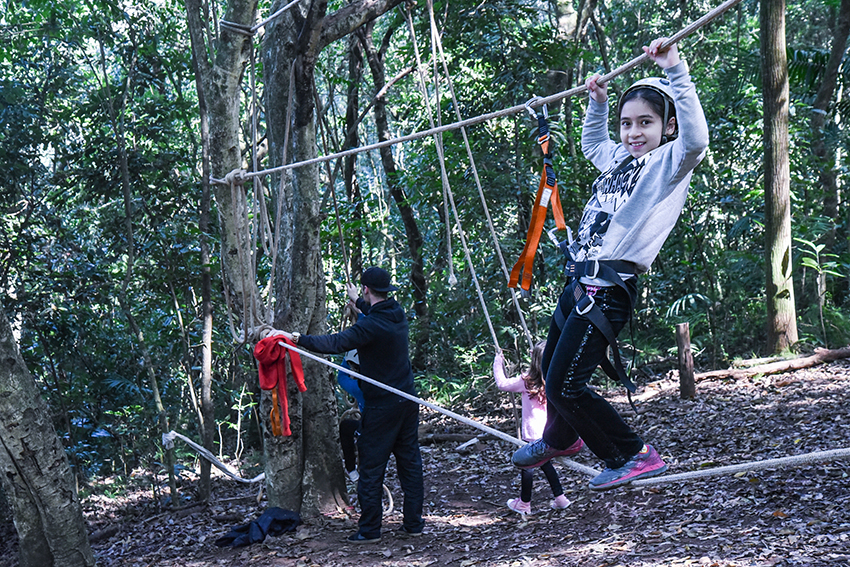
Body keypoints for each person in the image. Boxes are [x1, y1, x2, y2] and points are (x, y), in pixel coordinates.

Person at [512, 38, 709, 491]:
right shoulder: (621, 158)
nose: (634, 133)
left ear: (668, 125)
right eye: (627, 124)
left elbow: (696, 140)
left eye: (646, 123)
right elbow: (591, 145)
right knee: (552, 376)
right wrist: (597, 105)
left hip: (608, 287)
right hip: (580, 281)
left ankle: (634, 453)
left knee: (567, 386)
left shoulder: (669, 163)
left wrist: (675, 69)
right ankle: (560, 439)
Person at [281, 267, 424, 543]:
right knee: (410, 465)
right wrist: (357, 301)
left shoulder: (369, 326)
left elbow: (336, 342)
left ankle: (370, 530)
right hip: (407, 400)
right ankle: (413, 524)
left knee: (370, 468)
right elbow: (373, 313)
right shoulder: (397, 313)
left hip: (383, 407)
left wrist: (298, 339)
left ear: (368, 290)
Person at [494, 342, 573, 515]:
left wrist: (498, 363)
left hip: (532, 434)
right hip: (549, 432)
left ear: (534, 360)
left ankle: (524, 503)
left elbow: (502, 384)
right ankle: (560, 498)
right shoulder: (556, 378)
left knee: (527, 465)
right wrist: (536, 354)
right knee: (545, 463)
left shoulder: (527, 380)